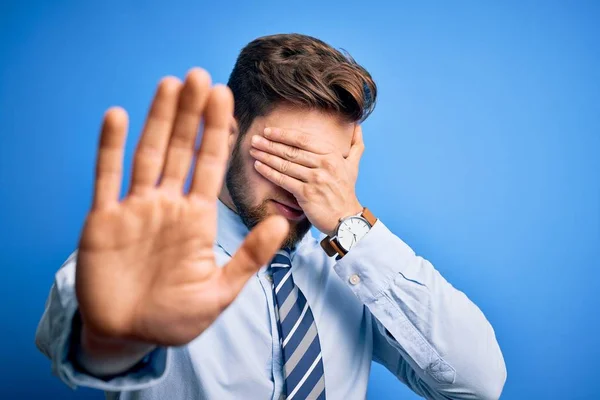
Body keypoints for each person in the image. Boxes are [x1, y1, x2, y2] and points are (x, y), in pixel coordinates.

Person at [36, 33, 506, 400]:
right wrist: (118, 343)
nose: (302, 190)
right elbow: (87, 332)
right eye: (284, 159)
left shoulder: (356, 270)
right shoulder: (150, 254)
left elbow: (478, 381)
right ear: (226, 134)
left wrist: (352, 224)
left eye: (324, 169)